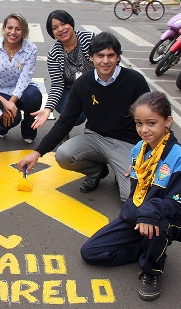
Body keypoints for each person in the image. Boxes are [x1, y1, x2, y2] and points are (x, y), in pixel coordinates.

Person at [80, 91, 181, 301]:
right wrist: (140, 212)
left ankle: (153, 269)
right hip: (138, 215)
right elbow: (138, 189)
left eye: (151, 123)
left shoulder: (178, 156)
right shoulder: (139, 150)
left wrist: (150, 213)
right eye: (139, 123)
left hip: (168, 219)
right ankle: (145, 248)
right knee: (90, 252)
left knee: (158, 226)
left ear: (167, 121)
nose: (144, 130)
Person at [17, 31, 150, 201]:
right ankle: (97, 171)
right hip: (95, 138)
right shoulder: (83, 84)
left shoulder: (135, 80)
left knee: (132, 198)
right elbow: (65, 121)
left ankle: (121, 173)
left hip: (126, 143)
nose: (105, 61)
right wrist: (37, 153)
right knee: (64, 155)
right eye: (100, 55)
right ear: (91, 57)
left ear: (118, 57)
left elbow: (152, 118)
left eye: (111, 55)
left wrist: (144, 155)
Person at [0, 12, 42, 144]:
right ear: (4, 28)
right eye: (10, 28)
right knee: (14, 118)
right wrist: (3, 103)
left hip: (22, 90)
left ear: (24, 31)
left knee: (34, 96)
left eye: (18, 29)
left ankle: (29, 131)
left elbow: (24, 79)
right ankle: (1, 126)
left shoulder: (31, 49)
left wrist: (11, 103)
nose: (13, 32)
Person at [31, 10, 94, 130]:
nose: (61, 29)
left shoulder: (88, 39)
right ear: (52, 33)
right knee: (75, 115)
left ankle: (94, 130)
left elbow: (105, 60)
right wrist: (48, 109)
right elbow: (57, 84)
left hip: (95, 86)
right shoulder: (54, 53)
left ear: (71, 23)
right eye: (55, 28)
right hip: (70, 90)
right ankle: (64, 128)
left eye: (64, 24)